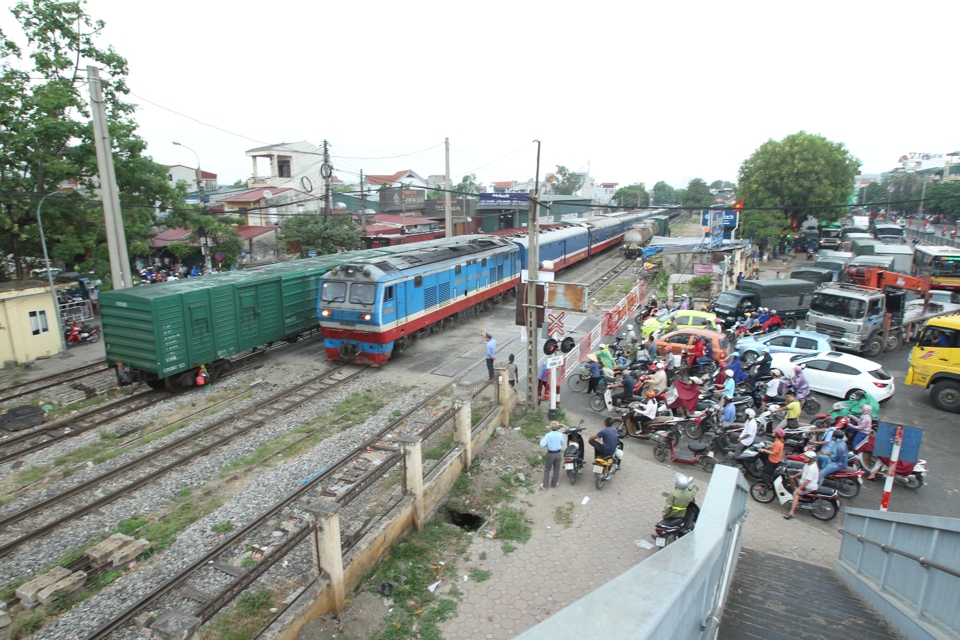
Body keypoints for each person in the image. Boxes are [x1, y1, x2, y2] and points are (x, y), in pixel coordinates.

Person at [785, 450, 819, 520]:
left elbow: (807, 481)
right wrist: (794, 476)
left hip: (809, 486)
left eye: (806, 457)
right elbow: (803, 471)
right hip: (804, 482)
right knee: (791, 479)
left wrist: (798, 489)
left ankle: (791, 513)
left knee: (796, 493)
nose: (804, 458)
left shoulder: (812, 468)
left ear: (811, 459)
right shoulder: (808, 464)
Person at [539, 421, 566, 490]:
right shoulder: (560, 435)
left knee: (547, 469)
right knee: (556, 469)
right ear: (558, 427)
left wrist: (542, 438)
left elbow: (542, 444)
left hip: (550, 454)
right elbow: (563, 442)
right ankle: (554, 484)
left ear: (551, 427)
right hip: (558, 454)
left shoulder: (548, 435)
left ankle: (545, 486)